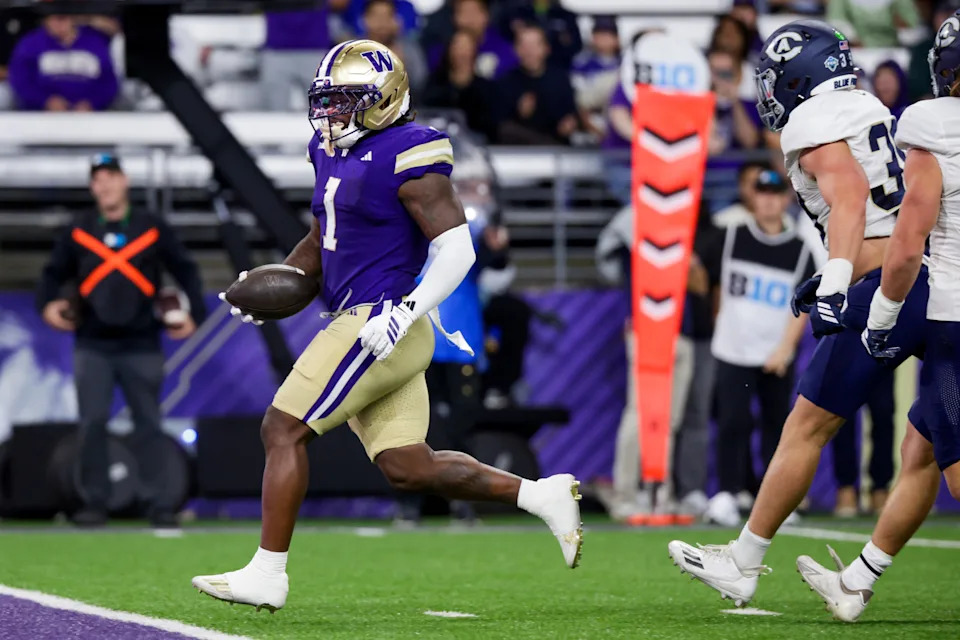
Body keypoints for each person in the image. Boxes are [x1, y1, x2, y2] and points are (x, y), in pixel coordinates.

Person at [192, 40, 583, 613]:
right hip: (367, 319)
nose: (331, 113)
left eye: (346, 100)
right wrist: (280, 283)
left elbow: (456, 251)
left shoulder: (410, 153)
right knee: (408, 467)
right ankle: (539, 494)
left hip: (381, 321)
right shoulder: (330, 150)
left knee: (282, 429)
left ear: (385, 99)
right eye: (326, 100)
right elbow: (325, 239)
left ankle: (268, 573)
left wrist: (405, 311)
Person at [668, 20, 930, 609]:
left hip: (893, 289)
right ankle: (858, 581)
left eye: (776, 76)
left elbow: (850, 199)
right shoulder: (866, 105)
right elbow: (881, 217)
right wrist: (842, 268)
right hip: (932, 280)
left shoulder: (815, 118)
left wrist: (839, 279)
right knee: (934, 446)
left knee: (807, 425)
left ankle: (743, 561)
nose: (769, 89)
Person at [797, 12, 960, 621]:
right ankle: (858, 582)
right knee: (920, 448)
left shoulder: (932, 126)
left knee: (955, 468)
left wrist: (883, 316)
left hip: (954, 316)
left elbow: (908, 241)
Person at [36, 153, 206, 528]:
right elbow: (51, 273)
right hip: (92, 343)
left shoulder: (151, 226)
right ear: (93, 186)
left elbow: (186, 269)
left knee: (148, 423)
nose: (105, 184)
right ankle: (94, 503)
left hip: (142, 343)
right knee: (92, 423)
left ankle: (159, 505)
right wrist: (47, 305)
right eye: (98, 179)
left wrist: (195, 313)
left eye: (111, 176)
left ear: (124, 181)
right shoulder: (79, 228)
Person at [705, 170, 815, 527]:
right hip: (733, 350)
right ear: (752, 197)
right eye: (761, 193)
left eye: (775, 193)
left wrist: (785, 349)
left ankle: (776, 501)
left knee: (776, 427)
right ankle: (727, 494)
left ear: (786, 199)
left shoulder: (801, 251)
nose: (768, 200)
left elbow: (802, 306)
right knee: (732, 422)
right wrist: (718, 317)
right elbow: (702, 275)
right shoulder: (731, 236)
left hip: (774, 355)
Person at [8, 12, 118, 111]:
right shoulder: (30, 44)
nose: (58, 25)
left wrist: (92, 103)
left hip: (89, 115)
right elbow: (20, 80)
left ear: (72, 20)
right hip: (40, 115)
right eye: (53, 19)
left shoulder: (95, 43)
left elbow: (109, 82)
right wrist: (45, 101)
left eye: (62, 19)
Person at [494, 24, 577, 145]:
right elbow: (498, 125)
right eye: (524, 45)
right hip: (517, 151)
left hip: (557, 149)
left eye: (534, 45)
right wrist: (519, 113)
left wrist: (570, 123)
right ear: (516, 49)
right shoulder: (505, 81)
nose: (529, 51)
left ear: (546, 48)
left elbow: (571, 113)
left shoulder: (560, 79)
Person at [260, 2, 349, 111]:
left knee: (323, 112)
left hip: (314, 49)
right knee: (274, 111)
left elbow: (340, 3)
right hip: (277, 48)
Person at [422, 30, 497, 140]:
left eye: (466, 47)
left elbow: (489, 124)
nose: (461, 52)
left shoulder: (485, 88)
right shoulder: (435, 84)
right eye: (457, 46)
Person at [429, 0, 517, 80]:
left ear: (487, 15)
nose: (469, 20)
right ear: (454, 18)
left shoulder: (504, 49)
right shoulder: (441, 52)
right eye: (463, 12)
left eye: (475, 12)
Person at [361, 0, 428, 98]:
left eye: (387, 16)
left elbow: (422, 84)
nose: (382, 23)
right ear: (365, 19)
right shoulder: (353, 50)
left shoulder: (409, 49)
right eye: (377, 17)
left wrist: (403, 68)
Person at [570, 16, 621, 141]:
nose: (603, 39)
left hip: (617, 118)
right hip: (588, 122)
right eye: (598, 34)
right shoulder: (581, 63)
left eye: (607, 35)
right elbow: (578, 100)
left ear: (616, 39)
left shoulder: (625, 63)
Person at [498, 0, 582, 70]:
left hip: (559, 68)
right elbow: (504, 40)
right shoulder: (518, 13)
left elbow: (576, 46)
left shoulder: (566, 16)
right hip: (521, 72)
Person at [826, 0, 919, 47]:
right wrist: (852, 41)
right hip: (856, 52)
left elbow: (913, 29)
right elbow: (836, 22)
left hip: (893, 51)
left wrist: (903, 27)